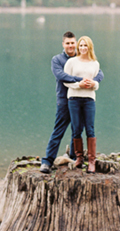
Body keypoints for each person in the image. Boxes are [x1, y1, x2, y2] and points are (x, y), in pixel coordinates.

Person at [39, 31, 102, 174]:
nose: (71, 45)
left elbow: (99, 72)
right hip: (64, 99)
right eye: (68, 43)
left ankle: (75, 157)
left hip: (83, 99)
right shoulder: (57, 60)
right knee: (59, 130)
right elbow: (61, 75)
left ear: (76, 44)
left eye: (73, 43)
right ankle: (47, 161)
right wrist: (80, 81)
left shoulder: (82, 57)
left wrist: (94, 82)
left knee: (77, 129)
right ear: (63, 44)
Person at [65, 36, 102, 174]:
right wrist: (77, 85)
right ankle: (79, 158)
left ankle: (91, 161)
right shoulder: (71, 62)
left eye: (85, 45)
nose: (82, 48)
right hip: (74, 98)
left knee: (90, 129)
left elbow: (96, 82)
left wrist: (94, 84)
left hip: (89, 99)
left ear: (89, 47)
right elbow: (65, 80)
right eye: (80, 45)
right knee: (76, 129)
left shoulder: (95, 63)